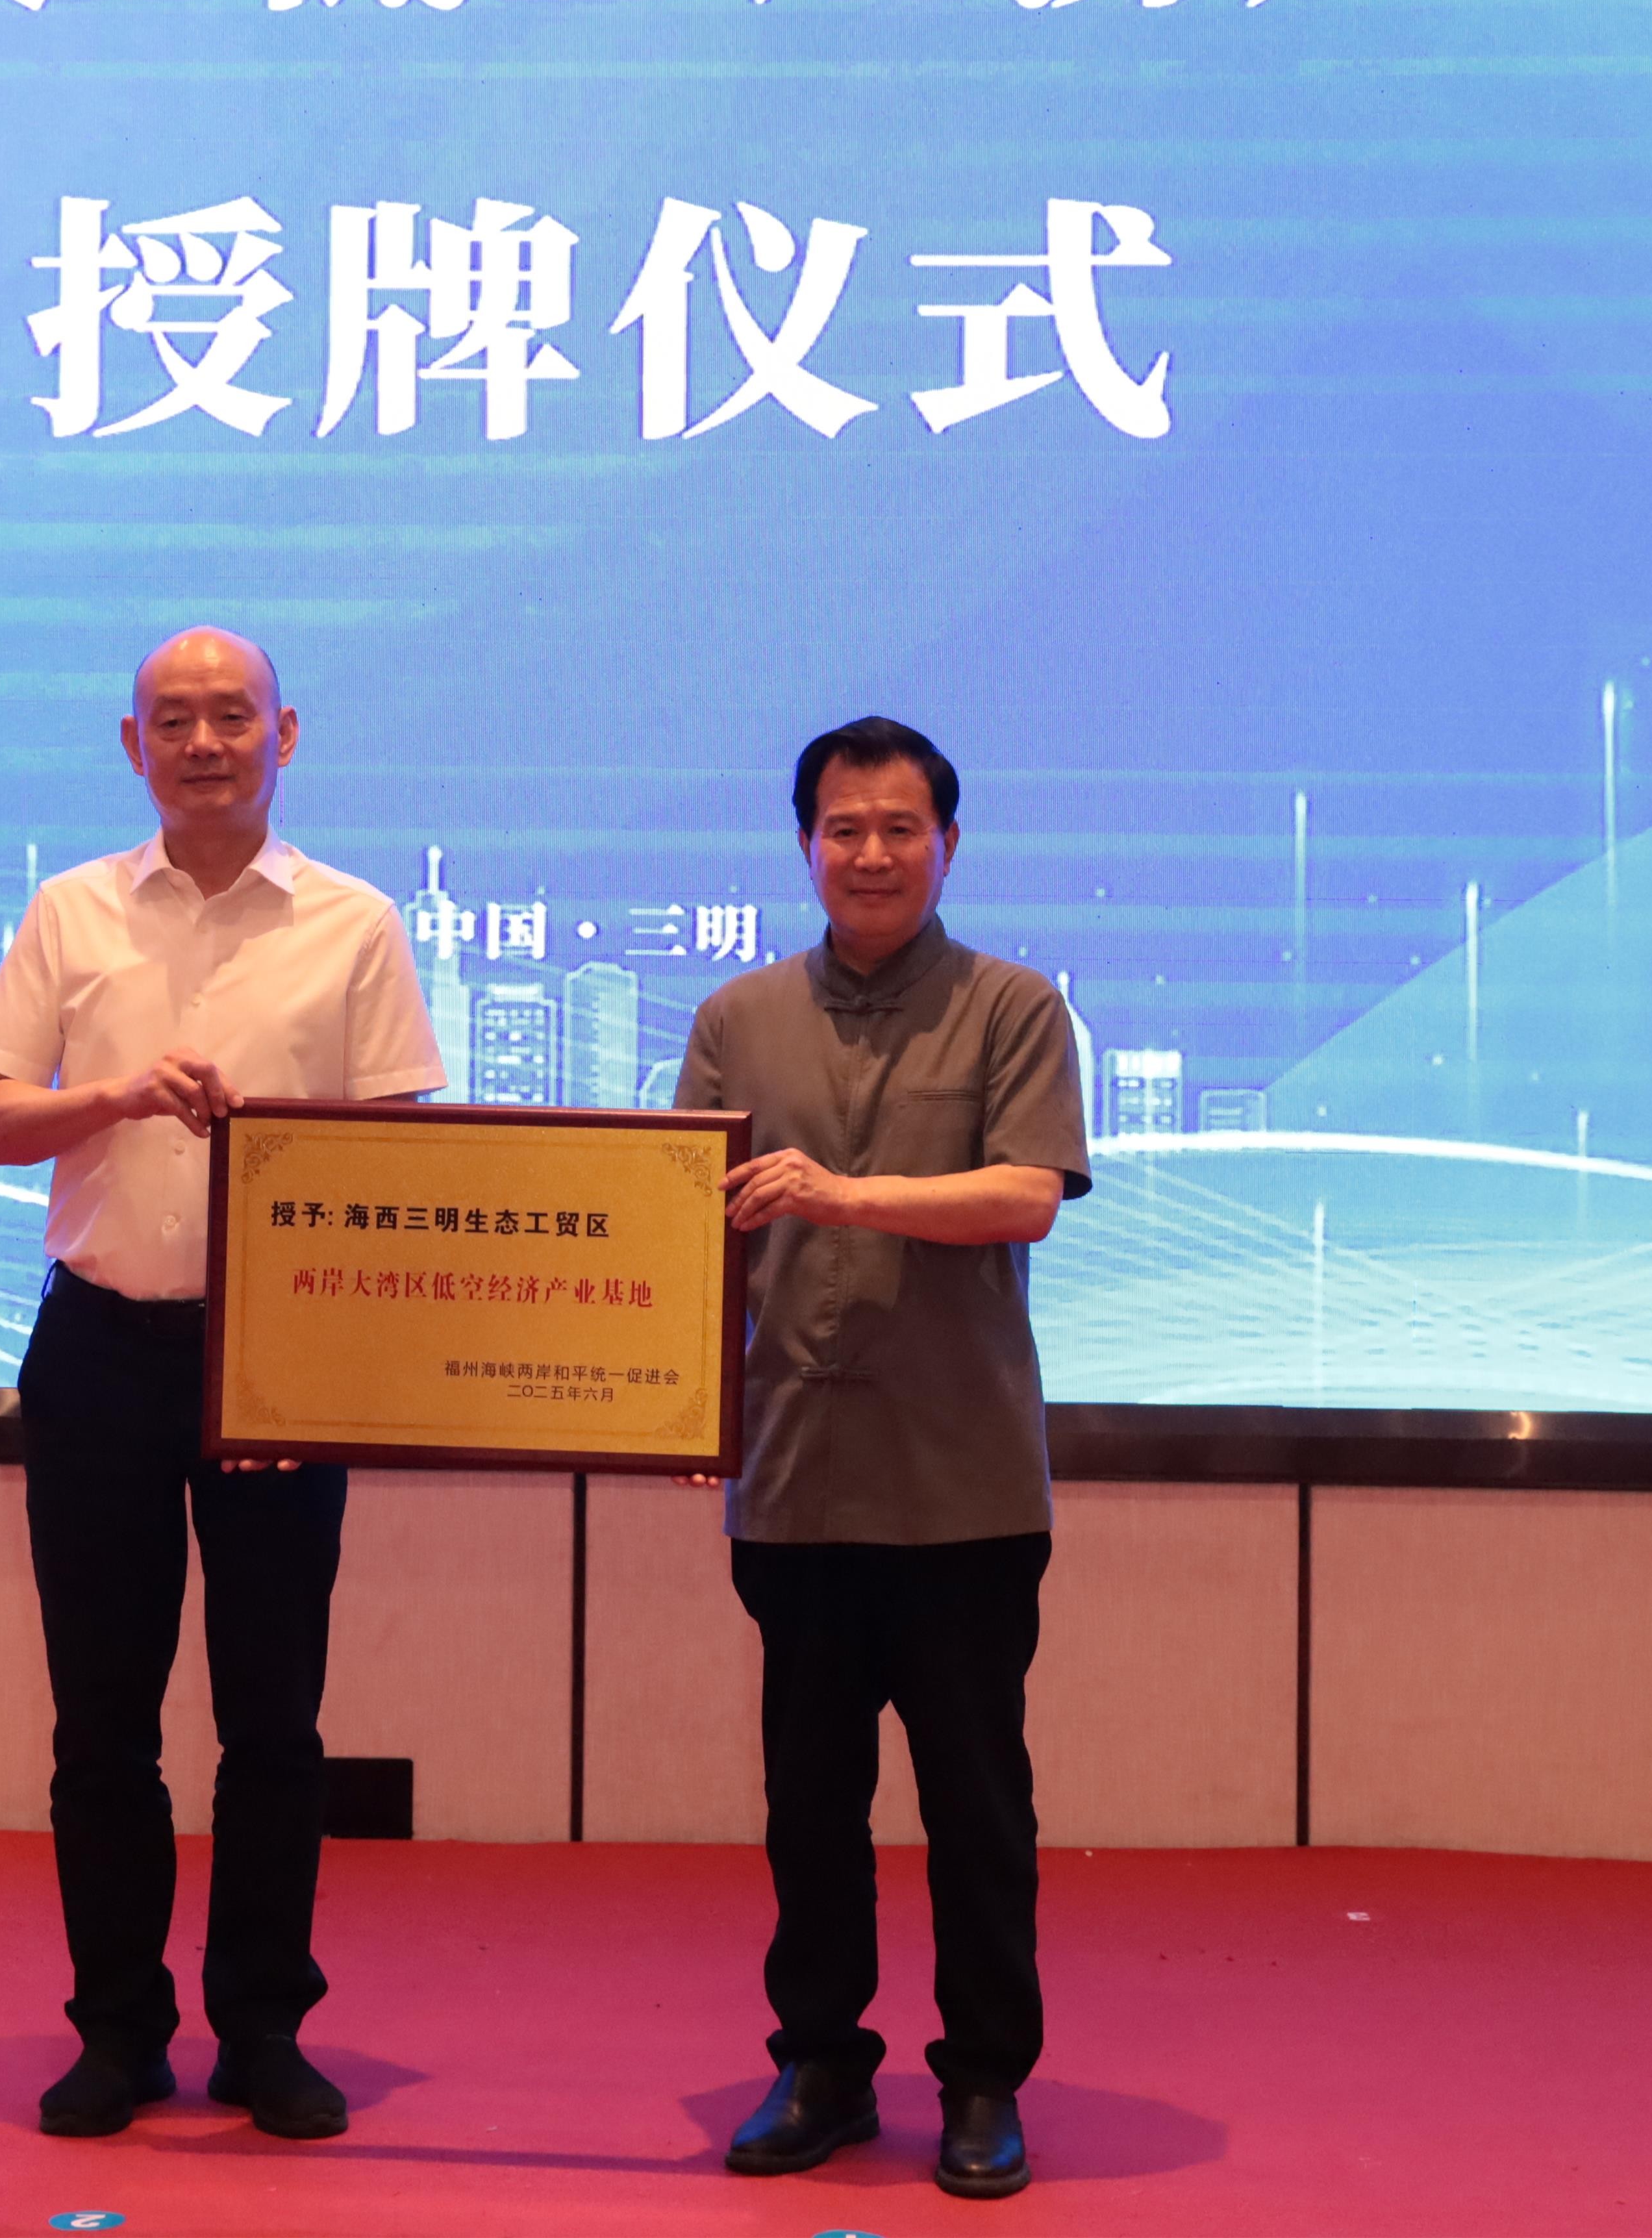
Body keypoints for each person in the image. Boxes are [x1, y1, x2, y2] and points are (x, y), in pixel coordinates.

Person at [0, 627, 445, 2143]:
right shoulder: (72, 908)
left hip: (279, 1359)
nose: (206, 742)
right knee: (102, 1721)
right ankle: (117, 2029)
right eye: (175, 720)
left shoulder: (354, 921)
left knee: (273, 1720)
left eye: (234, 715)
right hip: (100, 1346)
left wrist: (319, 1354)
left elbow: (400, 1158)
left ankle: (263, 2028)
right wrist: (116, 1093)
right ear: (133, 745)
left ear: (286, 733)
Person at [679, 714, 1090, 2203]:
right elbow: (682, 1227)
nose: (870, 852)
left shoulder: (1014, 1008)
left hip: (964, 1481)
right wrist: (677, 1400)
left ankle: (983, 2076)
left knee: (979, 1803)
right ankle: (821, 2061)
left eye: (899, 827)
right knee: (810, 1802)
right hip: (796, 1477)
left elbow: (1026, 1195)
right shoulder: (736, 1019)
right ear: (804, 845)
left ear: (948, 845)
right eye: (843, 827)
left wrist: (844, 1196)